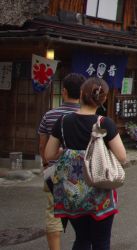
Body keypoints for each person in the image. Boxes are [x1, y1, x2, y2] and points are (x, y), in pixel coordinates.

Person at [45, 77, 127, 250]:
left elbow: (49, 154)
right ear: (103, 99)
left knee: (82, 239)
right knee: (101, 241)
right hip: (99, 191)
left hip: (71, 193)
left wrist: (64, 152)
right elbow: (122, 156)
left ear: (81, 94)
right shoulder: (104, 123)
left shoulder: (63, 121)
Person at [38, 73, 86, 250]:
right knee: (83, 213)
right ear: (82, 93)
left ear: (63, 92)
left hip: (54, 173)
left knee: (54, 214)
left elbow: (42, 146)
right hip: (80, 174)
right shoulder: (86, 117)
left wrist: (46, 165)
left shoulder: (50, 115)